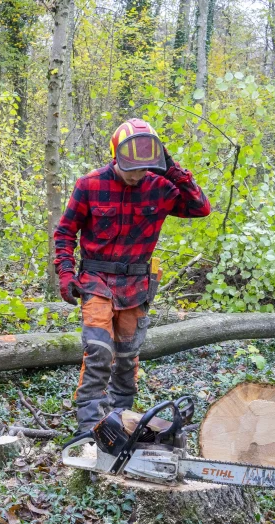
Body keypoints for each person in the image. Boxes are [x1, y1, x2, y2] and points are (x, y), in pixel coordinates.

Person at [53, 118, 211, 432]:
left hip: (136, 285)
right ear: (117, 158)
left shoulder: (161, 187)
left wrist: (171, 167)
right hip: (97, 280)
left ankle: (119, 420)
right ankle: (89, 426)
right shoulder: (90, 185)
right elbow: (64, 233)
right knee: (99, 352)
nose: (138, 175)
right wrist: (66, 272)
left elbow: (200, 207)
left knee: (126, 357)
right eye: (132, 169)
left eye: (144, 168)